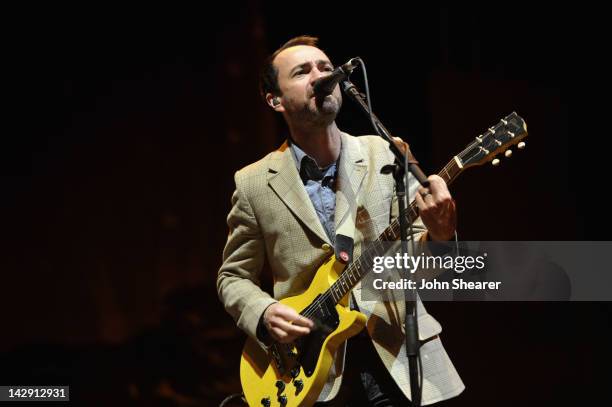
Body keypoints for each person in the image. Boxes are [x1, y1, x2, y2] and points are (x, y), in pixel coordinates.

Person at [217, 35, 464, 406]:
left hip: (399, 356)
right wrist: (265, 311)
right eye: (302, 72)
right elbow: (232, 276)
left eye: (324, 67)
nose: (320, 76)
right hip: (311, 371)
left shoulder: (385, 151)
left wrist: (441, 233)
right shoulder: (253, 183)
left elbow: (426, 267)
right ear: (275, 100)